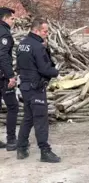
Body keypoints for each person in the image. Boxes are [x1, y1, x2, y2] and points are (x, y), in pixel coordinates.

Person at [16, 18, 60, 162]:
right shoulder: (37, 46)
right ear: (36, 30)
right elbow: (45, 69)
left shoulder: (22, 44)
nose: (47, 34)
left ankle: (21, 148)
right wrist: (56, 72)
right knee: (40, 119)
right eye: (45, 31)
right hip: (36, 88)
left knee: (28, 117)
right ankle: (45, 151)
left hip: (25, 87)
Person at [0, 7, 19, 151]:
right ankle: (11, 140)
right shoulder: (4, 34)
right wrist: (10, 76)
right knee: (13, 107)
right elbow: (3, 57)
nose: (14, 21)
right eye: (12, 18)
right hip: (2, 77)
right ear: (4, 19)